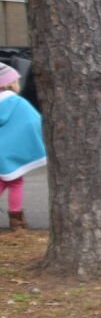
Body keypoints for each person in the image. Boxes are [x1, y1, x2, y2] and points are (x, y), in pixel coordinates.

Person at [0, 62, 45, 233]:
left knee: (5, 179)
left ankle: (16, 218)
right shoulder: (18, 103)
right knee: (15, 181)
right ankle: (16, 218)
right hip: (14, 152)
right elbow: (33, 122)